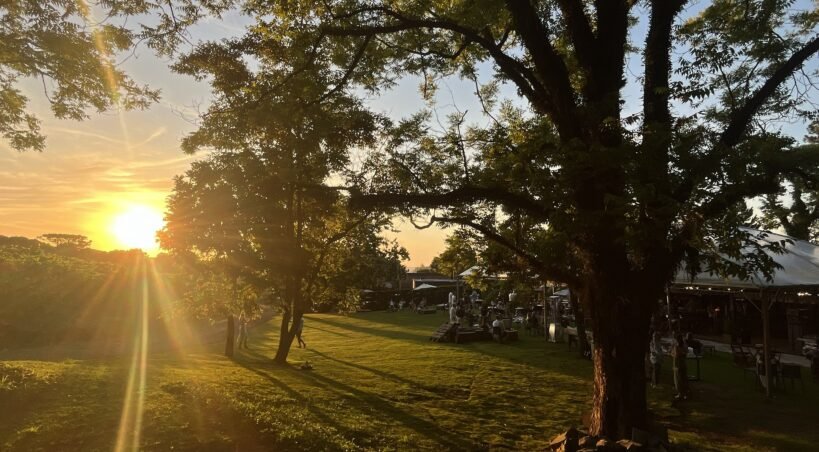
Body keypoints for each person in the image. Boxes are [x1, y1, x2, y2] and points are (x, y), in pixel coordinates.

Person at [671, 332, 689, 400]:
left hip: (678, 364)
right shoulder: (683, 345)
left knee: (679, 379)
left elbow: (676, 355)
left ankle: (681, 393)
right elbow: (685, 352)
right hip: (682, 364)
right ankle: (684, 393)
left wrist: (673, 353)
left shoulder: (677, 346)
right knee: (683, 379)